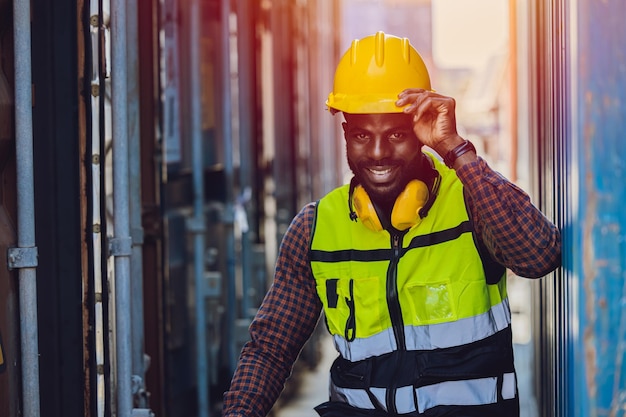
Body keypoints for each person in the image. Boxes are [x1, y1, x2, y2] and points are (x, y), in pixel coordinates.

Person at [221, 31, 561, 417]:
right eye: (363, 135)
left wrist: (456, 150)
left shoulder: (470, 201)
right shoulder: (316, 229)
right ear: (346, 134)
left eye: (397, 134)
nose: (379, 153)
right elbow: (270, 349)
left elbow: (539, 256)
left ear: (420, 132)